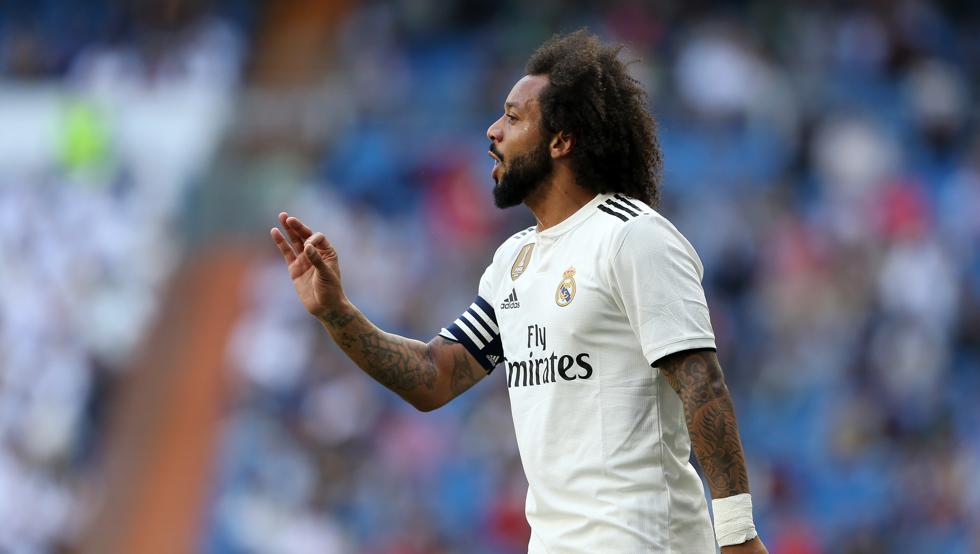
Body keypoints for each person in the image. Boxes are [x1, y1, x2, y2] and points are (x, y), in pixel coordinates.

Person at [271, 30, 767, 554]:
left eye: (512, 117)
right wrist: (336, 312)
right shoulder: (514, 262)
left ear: (561, 140)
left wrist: (736, 534)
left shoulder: (631, 236)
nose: (492, 131)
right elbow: (434, 378)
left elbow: (701, 383)